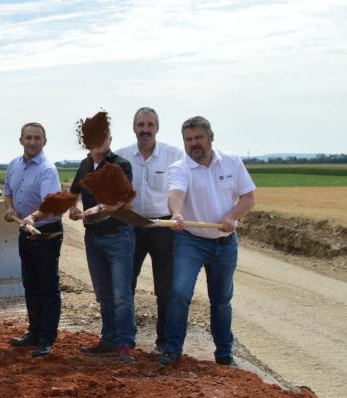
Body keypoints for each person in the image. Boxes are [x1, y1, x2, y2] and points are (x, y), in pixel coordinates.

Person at [161, 116, 256, 366]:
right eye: (188, 139)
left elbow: (248, 198)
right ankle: (172, 351)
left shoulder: (232, 162)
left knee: (221, 300)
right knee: (180, 293)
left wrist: (231, 217)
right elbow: (176, 194)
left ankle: (224, 355)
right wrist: (177, 213)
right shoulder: (180, 168)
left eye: (198, 138)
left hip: (226, 242)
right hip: (191, 242)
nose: (194, 144)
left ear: (210, 137)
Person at [68, 111, 138, 364]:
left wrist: (99, 208)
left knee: (121, 294)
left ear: (109, 138)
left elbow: (123, 200)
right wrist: (73, 207)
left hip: (118, 235)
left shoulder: (121, 165)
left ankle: (125, 344)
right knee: (104, 294)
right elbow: (73, 192)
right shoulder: (85, 165)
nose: (100, 142)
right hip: (93, 238)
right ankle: (108, 340)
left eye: (104, 137)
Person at [117, 107, 185, 354]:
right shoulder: (121, 156)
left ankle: (164, 341)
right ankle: (125, 339)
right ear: (134, 128)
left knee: (165, 288)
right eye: (140, 125)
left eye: (150, 125)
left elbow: (181, 188)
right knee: (126, 286)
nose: (145, 129)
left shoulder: (174, 155)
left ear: (157, 128)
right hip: (131, 226)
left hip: (163, 227)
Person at [4, 122, 65, 358]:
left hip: (46, 233)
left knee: (48, 287)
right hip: (26, 233)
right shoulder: (13, 165)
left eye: (37, 138)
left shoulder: (47, 169)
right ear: (21, 140)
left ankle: (47, 338)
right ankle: (34, 331)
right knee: (30, 283)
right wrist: (10, 209)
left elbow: (51, 205)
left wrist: (32, 216)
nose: (32, 142)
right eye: (28, 137)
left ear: (44, 142)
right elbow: (8, 191)